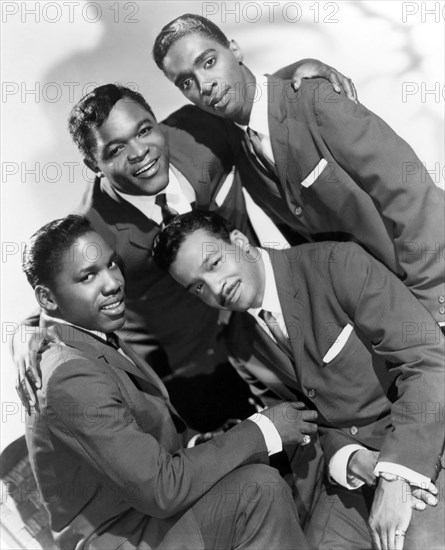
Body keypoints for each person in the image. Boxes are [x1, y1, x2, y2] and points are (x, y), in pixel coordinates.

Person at [15, 68, 355, 427]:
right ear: (93, 165)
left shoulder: (200, 132)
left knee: (340, 406)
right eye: (115, 149)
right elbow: (59, 292)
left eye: (144, 130)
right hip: (192, 367)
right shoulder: (93, 227)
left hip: (264, 309)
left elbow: (252, 94)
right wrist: (26, 335)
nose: (139, 152)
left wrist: (299, 70)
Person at [22, 214, 318, 550]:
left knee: (280, 464)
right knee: (257, 489)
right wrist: (263, 429)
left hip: (150, 517)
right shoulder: (69, 375)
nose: (112, 283)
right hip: (130, 535)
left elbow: (143, 448)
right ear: (47, 298)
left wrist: (203, 443)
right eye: (88, 276)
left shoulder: (91, 332)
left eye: (111, 264)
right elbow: (160, 490)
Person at [152, 210, 445, 550]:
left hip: (420, 445)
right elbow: (302, 424)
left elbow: (427, 362)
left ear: (240, 242)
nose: (216, 289)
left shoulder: (337, 264)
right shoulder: (238, 345)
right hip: (352, 473)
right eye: (198, 287)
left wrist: (397, 474)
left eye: (214, 263)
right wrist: (352, 459)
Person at [153, 13, 445, 329]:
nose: (204, 85)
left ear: (235, 50)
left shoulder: (314, 100)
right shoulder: (245, 156)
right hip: (389, 311)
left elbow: (414, 199)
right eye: (186, 82)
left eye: (209, 62)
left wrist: (434, 304)